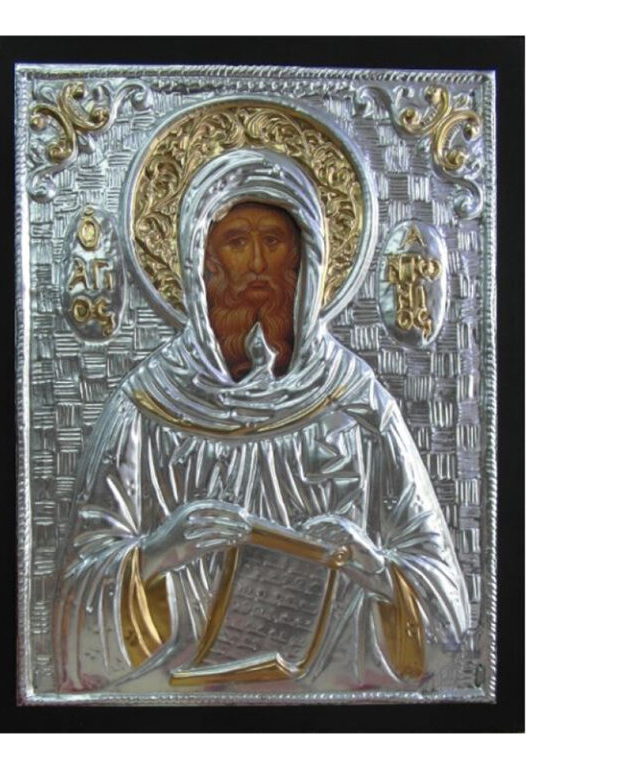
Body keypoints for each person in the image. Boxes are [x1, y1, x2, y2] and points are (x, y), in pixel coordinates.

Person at [53, 149, 469, 693]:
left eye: (272, 242)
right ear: (202, 262)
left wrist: (375, 569)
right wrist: (158, 552)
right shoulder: (146, 406)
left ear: (305, 261)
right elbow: (73, 612)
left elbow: (448, 613)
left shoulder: (357, 402)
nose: (255, 265)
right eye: (236, 241)